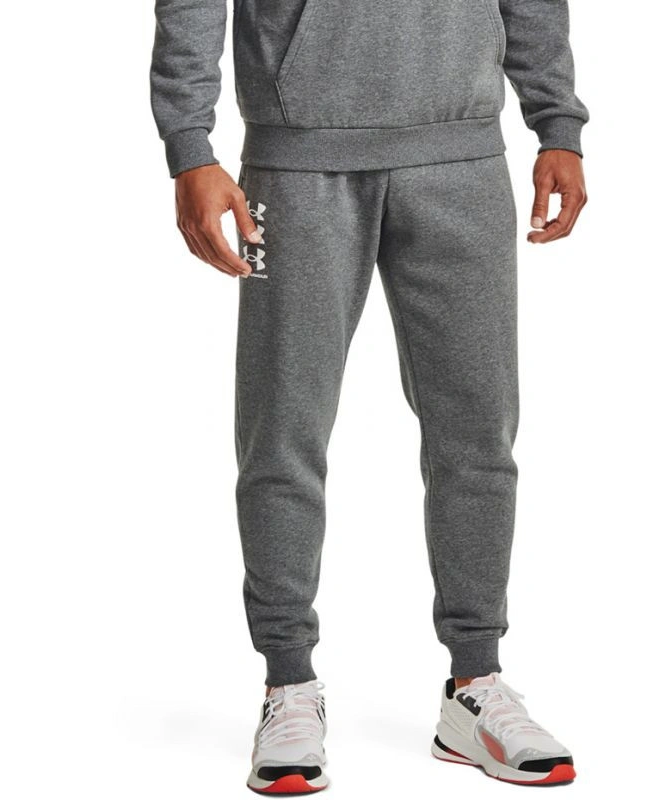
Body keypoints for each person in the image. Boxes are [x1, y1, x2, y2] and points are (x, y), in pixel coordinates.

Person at [150, 0, 589, 792]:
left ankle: (475, 683)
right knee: (282, 430)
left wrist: (556, 121)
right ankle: (288, 682)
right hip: (297, 161)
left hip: (462, 159)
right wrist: (190, 145)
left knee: (478, 435)